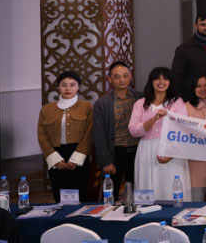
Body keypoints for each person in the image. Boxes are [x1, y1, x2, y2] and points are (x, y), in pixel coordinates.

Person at [129, 67, 192, 201]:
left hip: (171, 150)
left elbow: (184, 129)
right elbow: (133, 130)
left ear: (170, 82)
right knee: (149, 187)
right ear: (151, 82)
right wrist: (153, 119)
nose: (161, 82)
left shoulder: (177, 103)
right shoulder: (140, 104)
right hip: (147, 150)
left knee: (171, 186)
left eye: (165, 79)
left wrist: (171, 154)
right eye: (157, 79)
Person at [38, 71, 93, 201]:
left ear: (78, 87)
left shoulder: (87, 107)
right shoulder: (46, 109)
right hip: (56, 155)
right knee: (60, 194)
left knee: (82, 195)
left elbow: (89, 133)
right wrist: (55, 160)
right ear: (58, 87)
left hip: (79, 154)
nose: (68, 88)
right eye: (64, 85)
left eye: (72, 85)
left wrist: (76, 159)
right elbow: (42, 135)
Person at [93, 62, 139, 198]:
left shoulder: (140, 98)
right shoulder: (102, 103)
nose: (122, 80)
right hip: (115, 152)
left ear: (130, 77)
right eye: (117, 77)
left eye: (125, 76)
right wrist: (106, 161)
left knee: (137, 192)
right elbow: (99, 134)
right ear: (109, 79)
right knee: (111, 194)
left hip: (137, 150)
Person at [172, 12, 206, 100]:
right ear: (195, 26)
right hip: (191, 99)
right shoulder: (184, 49)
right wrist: (182, 100)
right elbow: (176, 78)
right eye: (203, 24)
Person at [185, 75, 206, 201]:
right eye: (198, 86)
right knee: (197, 199)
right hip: (196, 162)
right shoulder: (186, 107)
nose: (203, 89)